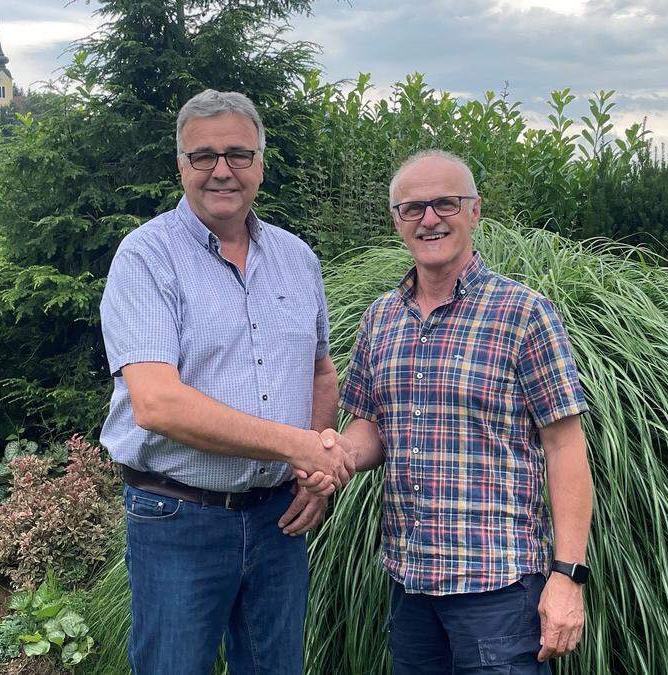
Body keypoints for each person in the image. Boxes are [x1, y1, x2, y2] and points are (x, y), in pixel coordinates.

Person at [98, 89, 353, 675]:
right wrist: (297, 446)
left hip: (278, 519)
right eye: (203, 155)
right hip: (178, 516)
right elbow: (157, 404)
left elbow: (320, 370)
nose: (221, 170)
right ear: (181, 166)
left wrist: (315, 471)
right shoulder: (147, 257)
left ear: (261, 163)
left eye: (238, 154)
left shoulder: (297, 259)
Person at [329, 149, 594, 673]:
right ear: (396, 221)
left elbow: (566, 447)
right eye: (413, 208)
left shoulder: (524, 314)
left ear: (474, 211)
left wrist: (567, 575)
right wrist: (329, 457)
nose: (430, 219)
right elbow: (369, 427)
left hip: (498, 594)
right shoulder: (380, 319)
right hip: (410, 588)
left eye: (445, 203)